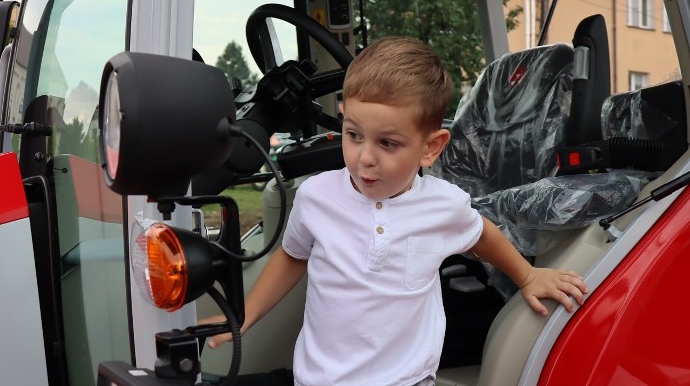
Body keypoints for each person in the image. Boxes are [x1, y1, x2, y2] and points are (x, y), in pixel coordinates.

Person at [207, 37, 588, 386]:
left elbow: (481, 235)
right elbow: (292, 256)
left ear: (430, 147)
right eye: (353, 135)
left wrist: (526, 276)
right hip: (319, 379)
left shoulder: (443, 204)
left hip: (407, 380)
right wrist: (248, 313)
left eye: (387, 143)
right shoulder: (316, 197)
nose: (364, 158)